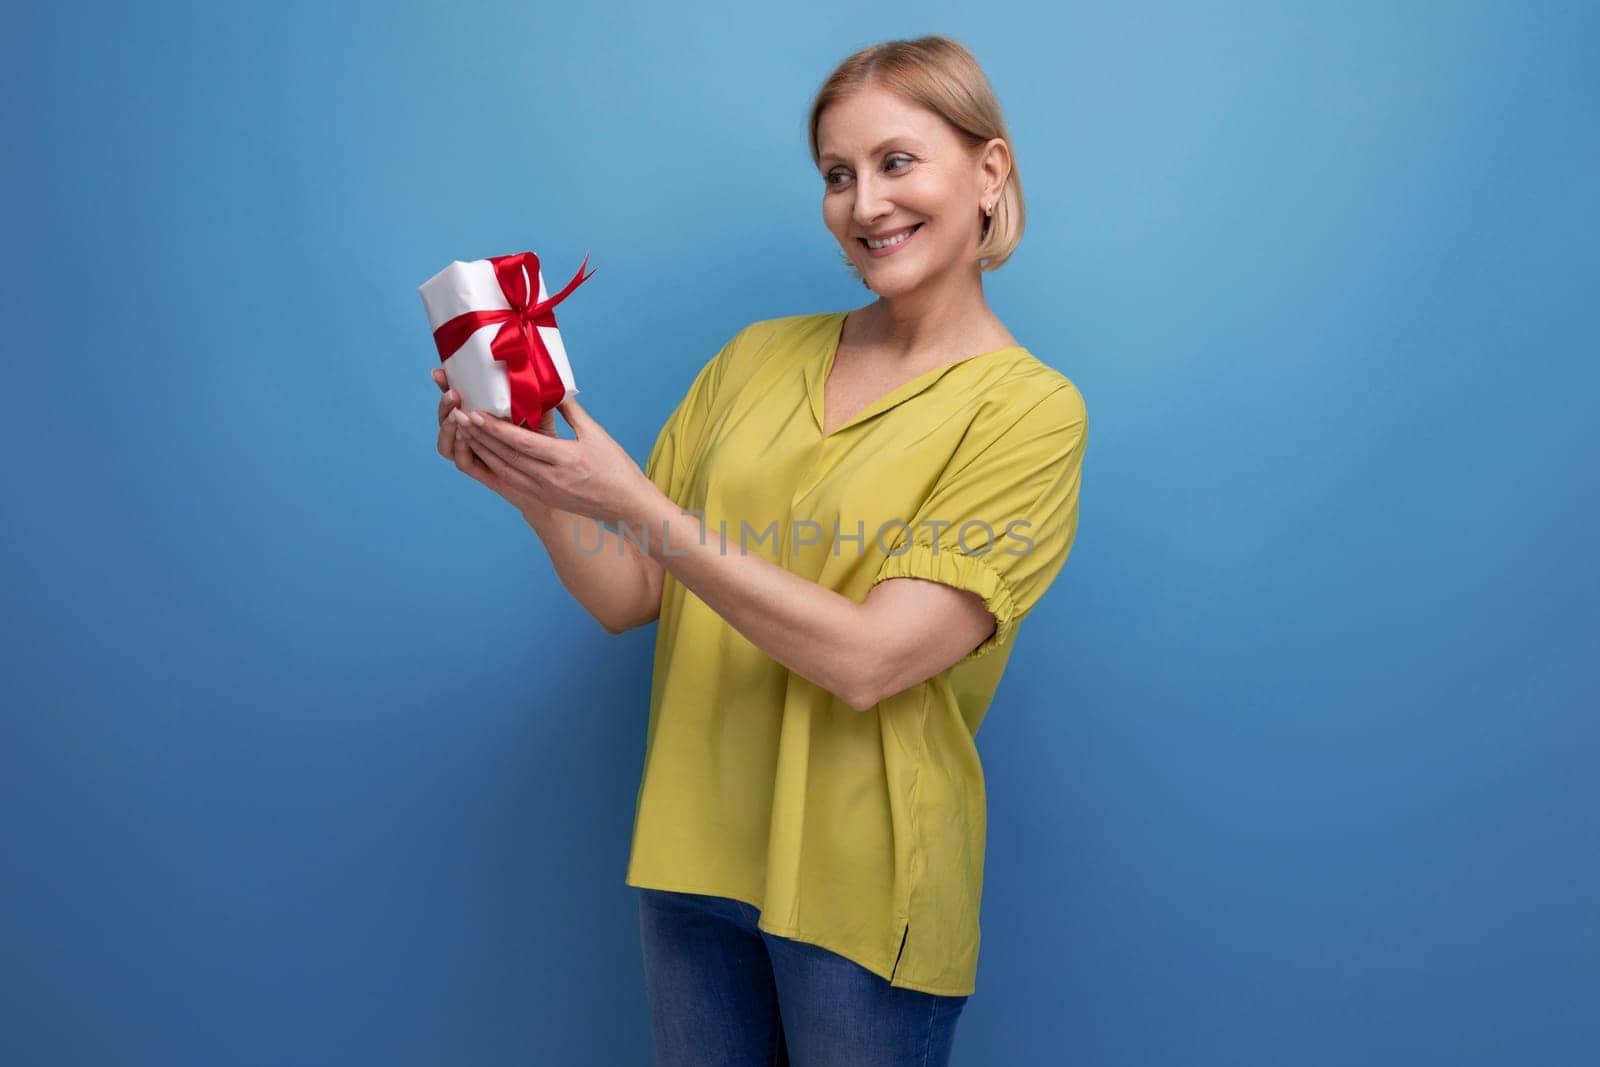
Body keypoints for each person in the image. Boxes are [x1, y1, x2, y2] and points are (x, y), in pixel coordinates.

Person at [431, 34, 1088, 1067]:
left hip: (861, 891)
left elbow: (872, 658)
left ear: (988, 172)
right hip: (694, 857)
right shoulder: (752, 359)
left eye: (896, 161)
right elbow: (629, 591)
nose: (864, 203)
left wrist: (637, 504)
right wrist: (535, 483)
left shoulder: (1030, 414)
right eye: (837, 174)